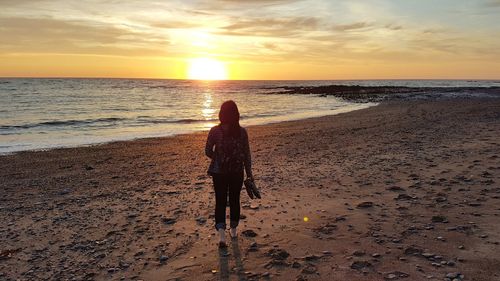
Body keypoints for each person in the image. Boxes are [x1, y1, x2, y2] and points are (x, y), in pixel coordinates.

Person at [205, 100, 253, 248]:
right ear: (236, 114)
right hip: (237, 172)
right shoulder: (242, 132)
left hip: (218, 172)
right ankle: (233, 230)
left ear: (221, 114)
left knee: (220, 201)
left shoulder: (214, 131)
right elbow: (246, 154)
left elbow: (207, 151)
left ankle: (221, 236)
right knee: (234, 200)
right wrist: (249, 173)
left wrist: (219, 158)